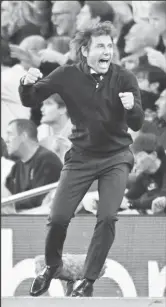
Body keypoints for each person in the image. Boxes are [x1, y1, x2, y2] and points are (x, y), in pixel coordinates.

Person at [18, 21, 144, 297]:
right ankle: (52, 266)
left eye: (110, 46)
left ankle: (87, 280)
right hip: (80, 157)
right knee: (58, 217)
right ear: (85, 51)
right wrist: (26, 85)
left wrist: (132, 108)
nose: (107, 51)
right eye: (101, 46)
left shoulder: (124, 78)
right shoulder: (67, 75)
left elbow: (137, 123)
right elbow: (31, 99)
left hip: (116, 156)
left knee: (108, 217)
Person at [5, 119, 63, 213]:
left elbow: (37, 202)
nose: (6, 139)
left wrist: (9, 205)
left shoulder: (47, 160)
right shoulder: (16, 167)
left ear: (23, 136)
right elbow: (7, 196)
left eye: (10, 134)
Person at [124, 133, 166, 212]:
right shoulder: (144, 176)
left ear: (153, 155)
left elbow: (161, 201)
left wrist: (130, 204)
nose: (135, 160)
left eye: (139, 155)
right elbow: (127, 198)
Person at [38, 93, 72, 162]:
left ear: (62, 108)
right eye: (42, 104)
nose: (42, 109)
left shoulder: (82, 137)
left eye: (48, 103)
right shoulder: (41, 137)